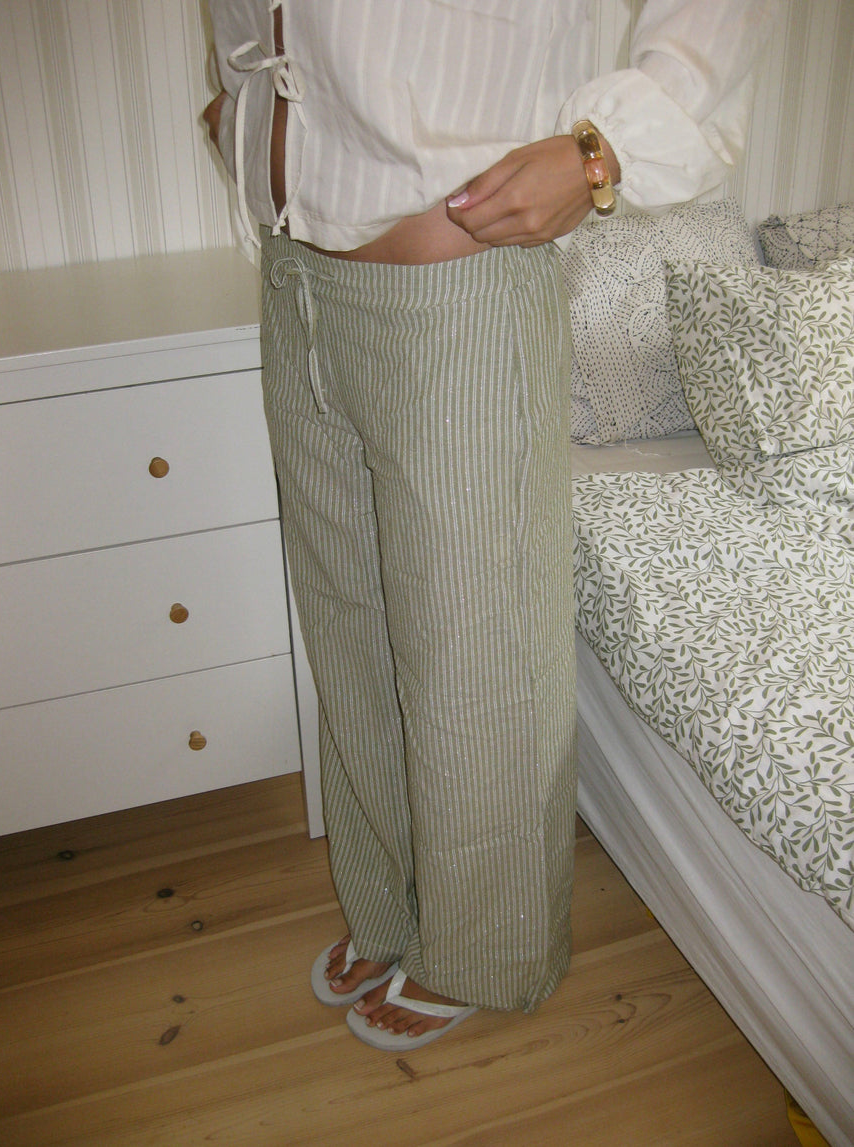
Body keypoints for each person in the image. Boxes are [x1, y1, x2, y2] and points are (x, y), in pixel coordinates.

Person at [203, 0, 779, 1050]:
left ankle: (489, 947)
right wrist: (244, 107)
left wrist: (601, 151)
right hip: (295, 278)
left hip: (455, 285)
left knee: (477, 645)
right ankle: (392, 902)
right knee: (349, 624)